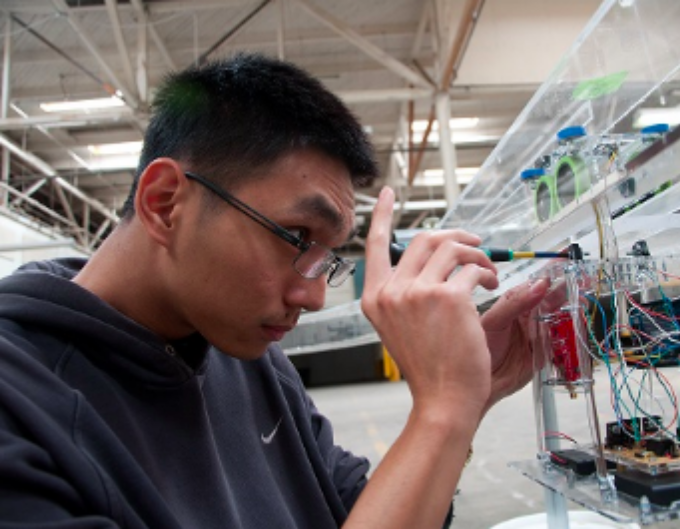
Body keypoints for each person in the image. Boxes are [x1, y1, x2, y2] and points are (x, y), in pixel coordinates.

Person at [0, 53, 553, 528]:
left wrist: (465, 403)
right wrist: (441, 413)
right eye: (295, 236)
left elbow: (361, 511)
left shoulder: (249, 356)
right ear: (166, 202)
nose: (312, 298)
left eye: (326, 257)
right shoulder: (22, 406)